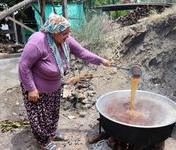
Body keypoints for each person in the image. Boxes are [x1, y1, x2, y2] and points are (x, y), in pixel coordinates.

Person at [18, 13, 111, 150]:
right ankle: (43, 142)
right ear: (52, 32)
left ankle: (51, 133)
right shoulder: (38, 42)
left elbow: (82, 52)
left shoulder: (65, 40)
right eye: (63, 34)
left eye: (68, 33)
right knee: (41, 118)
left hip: (54, 86)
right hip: (37, 89)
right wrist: (31, 88)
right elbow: (23, 65)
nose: (67, 36)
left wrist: (101, 60)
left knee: (52, 114)